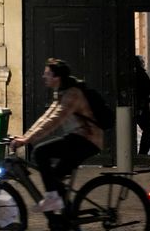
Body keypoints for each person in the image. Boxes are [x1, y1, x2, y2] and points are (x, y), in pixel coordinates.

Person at [10, 58, 102, 230]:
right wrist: (25, 136)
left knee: (40, 152)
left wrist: (27, 141)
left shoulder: (71, 94)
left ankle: (53, 200)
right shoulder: (62, 92)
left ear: (56, 77)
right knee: (55, 177)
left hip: (87, 140)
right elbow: (45, 117)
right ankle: (66, 218)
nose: (43, 76)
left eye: (47, 74)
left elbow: (53, 121)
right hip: (80, 138)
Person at [134, 55, 150, 155]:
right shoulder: (142, 74)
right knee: (148, 130)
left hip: (137, 106)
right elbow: (148, 90)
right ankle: (142, 154)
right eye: (142, 61)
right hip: (142, 107)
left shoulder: (132, 74)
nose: (144, 62)